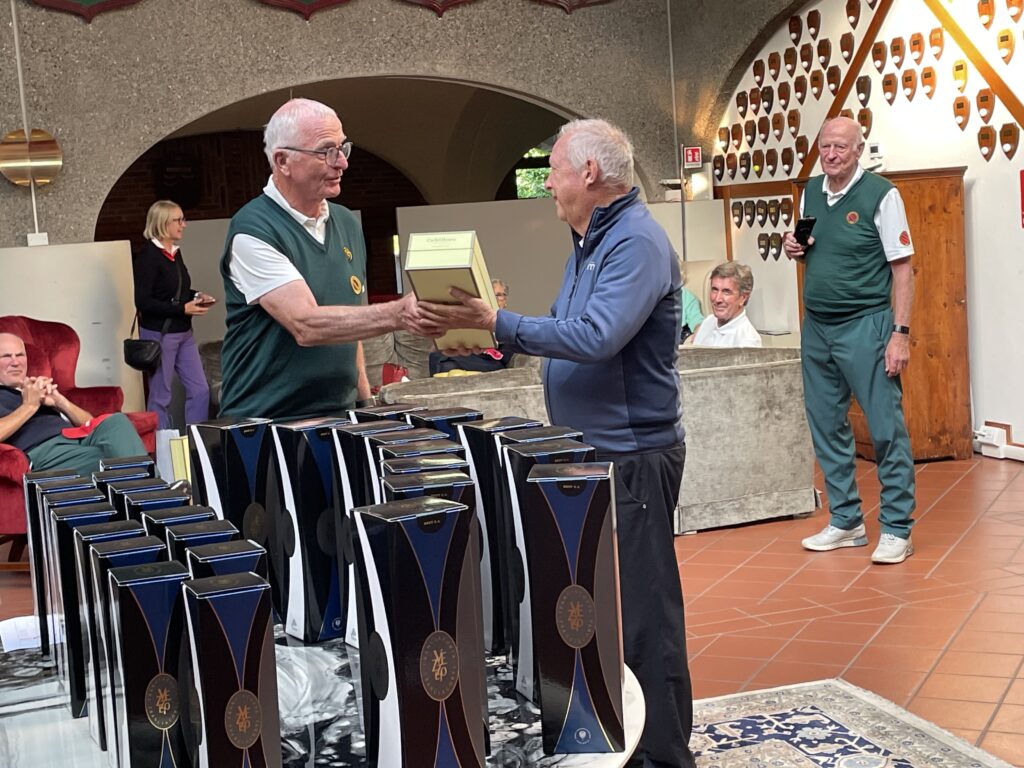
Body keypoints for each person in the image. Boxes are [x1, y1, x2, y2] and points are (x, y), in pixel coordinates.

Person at [420, 119, 695, 768]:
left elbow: (598, 336)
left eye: (554, 170)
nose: (547, 183)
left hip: (631, 455)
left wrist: (499, 321)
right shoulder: (591, 241)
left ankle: (663, 757)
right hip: (594, 453)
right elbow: (568, 325)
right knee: (601, 612)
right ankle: (620, 738)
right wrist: (486, 330)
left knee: (646, 615)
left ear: (589, 174)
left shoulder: (636, 241)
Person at [219, 98, 437, 420]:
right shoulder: (253, 229)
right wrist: (400, 312)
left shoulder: (346, 222)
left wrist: (365, 403)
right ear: (282, 161)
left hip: (340, 416)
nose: (342, 163)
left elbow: (351, 323)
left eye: (342, 148)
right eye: (326, 151)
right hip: (265, 423)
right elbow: (306, 324)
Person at [783, 115, 916, 565]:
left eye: (841, 146)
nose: (831, 154)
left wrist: (899, 335)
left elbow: (903, 270)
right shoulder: (811, 190)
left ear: (859, 150)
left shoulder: (882, 194)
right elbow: (813, 247)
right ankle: (846, 521)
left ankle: (897, 528)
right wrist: (796, 248)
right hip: (817, 327)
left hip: (866, 326)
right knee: (826, 424)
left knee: (885, 429)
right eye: (825, 146)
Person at [0, 333, 148, 477]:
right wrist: (29, 406)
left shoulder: (36, 388)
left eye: (20, 355)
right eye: (6, 356)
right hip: (46, 450)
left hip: (77, 439)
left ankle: (149, 486)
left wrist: (60, 402)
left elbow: (91, 425)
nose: (15, 362)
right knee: (111, 460)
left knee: (116, 421)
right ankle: (151, 487)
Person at [133, 200, 212, 429]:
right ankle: (163, 447)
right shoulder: (148, 256)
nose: (183, 224)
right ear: (162, 223)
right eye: (178, 220)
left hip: (183, 332)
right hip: (160, 334)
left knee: (200, 390)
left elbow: (177, 290)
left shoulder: (175, 253)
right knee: (161, 395)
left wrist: (197, 295)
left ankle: (196, 443)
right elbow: (143, 301)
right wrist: (181, 309)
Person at [428, 279, 513, 375]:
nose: (493, 299)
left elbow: (507, 355)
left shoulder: (508, 322)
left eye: (498, 295)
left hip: (491, 361)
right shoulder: (473, 318)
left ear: (505, 300)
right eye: (490, 296)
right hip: (468, 356)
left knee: (444, 360)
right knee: (441, 359)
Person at [690, 262, 762, 347]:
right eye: (714, 290)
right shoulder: (708, 322)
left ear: (743, 298)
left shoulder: (748, 341)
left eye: (726, 292)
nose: (717, 299)